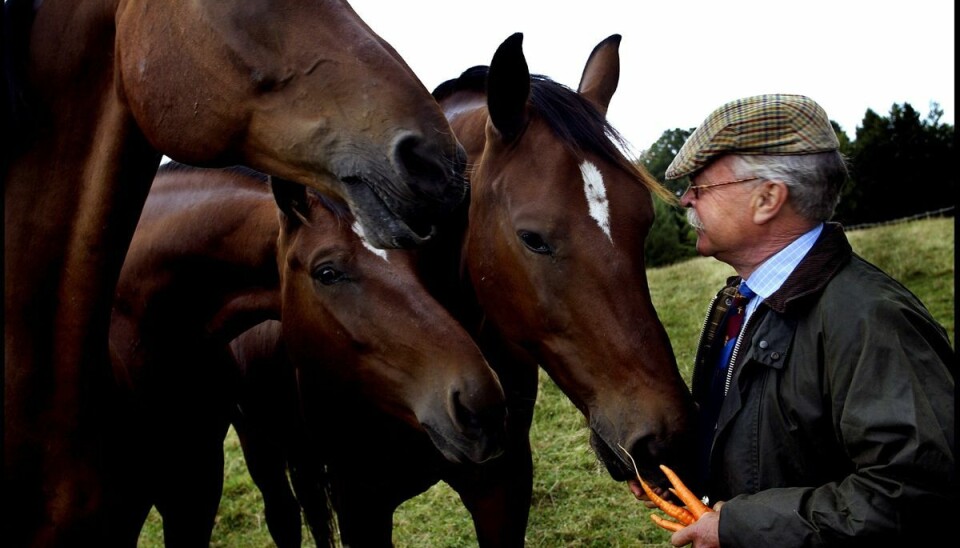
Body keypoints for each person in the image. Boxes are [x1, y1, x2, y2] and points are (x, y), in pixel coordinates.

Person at [629, 94, 955, 547]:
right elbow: (761, 435)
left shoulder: (872, 318)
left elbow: (913, 492)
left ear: (767, 199)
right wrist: (681, 468)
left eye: (700, 188)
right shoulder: (742, 301)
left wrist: (741, 527)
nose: (686, 200)